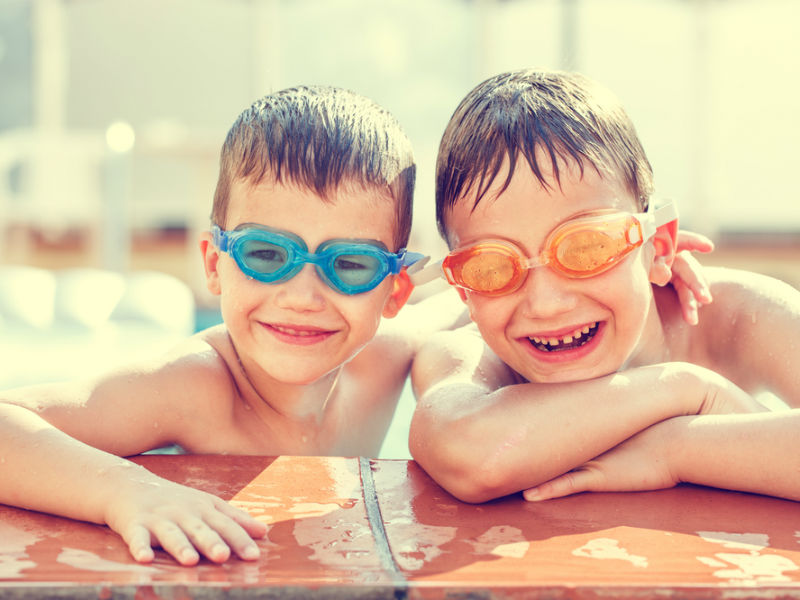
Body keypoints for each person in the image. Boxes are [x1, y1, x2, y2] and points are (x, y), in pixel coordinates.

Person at [0, 85, 468, 566]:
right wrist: (126, 491)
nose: (303, 298)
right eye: (265, 255)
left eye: (350, 264)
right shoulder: (195, 387)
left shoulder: (385, 358)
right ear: (213, 265)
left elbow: (466, 301)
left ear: (394, 292)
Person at [409, 69, 800, 506]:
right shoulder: (468, 353)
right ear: (464, 289)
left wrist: (674, 450)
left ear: (661, 246)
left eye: (588, 248)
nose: (546, 304)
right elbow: (468, 454)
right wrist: (686, 389)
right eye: (492, 269)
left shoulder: (736, 317)